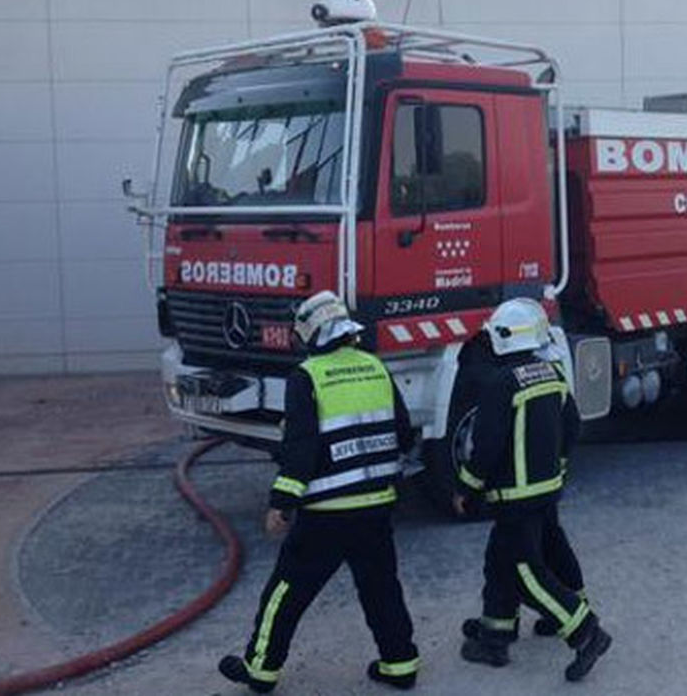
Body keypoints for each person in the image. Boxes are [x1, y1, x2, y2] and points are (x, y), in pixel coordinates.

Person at [218, 290, 420, 693]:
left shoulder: (307, 376)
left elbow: (300, 448)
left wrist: (281, 503)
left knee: (286, 591)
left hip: (327, 511)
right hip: (377, 505)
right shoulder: (376, 367)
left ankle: (261, 668)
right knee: (382, 588)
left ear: (310, 333)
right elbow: (401, 432)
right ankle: (400, 664)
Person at [454, 298, 612, 682]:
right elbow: (572, 427)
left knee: (525, 570)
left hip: (515, 498)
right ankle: (495, 635)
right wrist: (555, 467)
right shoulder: (554, 373)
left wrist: (467, 486)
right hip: (546, 490)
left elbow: (486, 445)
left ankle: (585, 631)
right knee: (504, 559)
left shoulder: (500, 384)